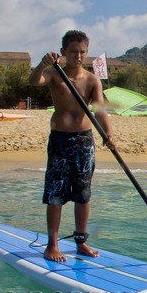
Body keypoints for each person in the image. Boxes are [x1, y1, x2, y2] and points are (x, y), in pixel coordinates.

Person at [29, 30, 116, 263]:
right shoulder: (54, 74)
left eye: (82, 52)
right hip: (59, 140)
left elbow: (99, 109)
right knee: (55, 194)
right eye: (73, 52)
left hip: (84, 142)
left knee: (83, 194)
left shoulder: (91, 80)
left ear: (87, 53)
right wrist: (41, 64)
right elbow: (33, 81)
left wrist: (108, 133)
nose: (78, 56)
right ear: (64, 52)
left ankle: (81, 242)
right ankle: (52, 245)